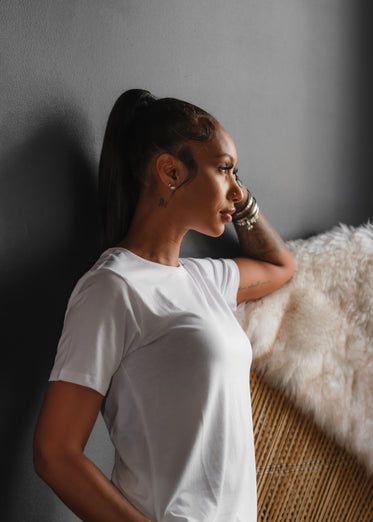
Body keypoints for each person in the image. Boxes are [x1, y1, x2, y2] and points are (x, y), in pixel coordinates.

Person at [33, 89, 294, 522]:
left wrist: (241, 201)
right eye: (225, 170)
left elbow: (280, 266)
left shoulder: (204, 278)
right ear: (170, 170)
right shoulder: (112, 287)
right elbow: (54, 452)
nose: (235, 189)